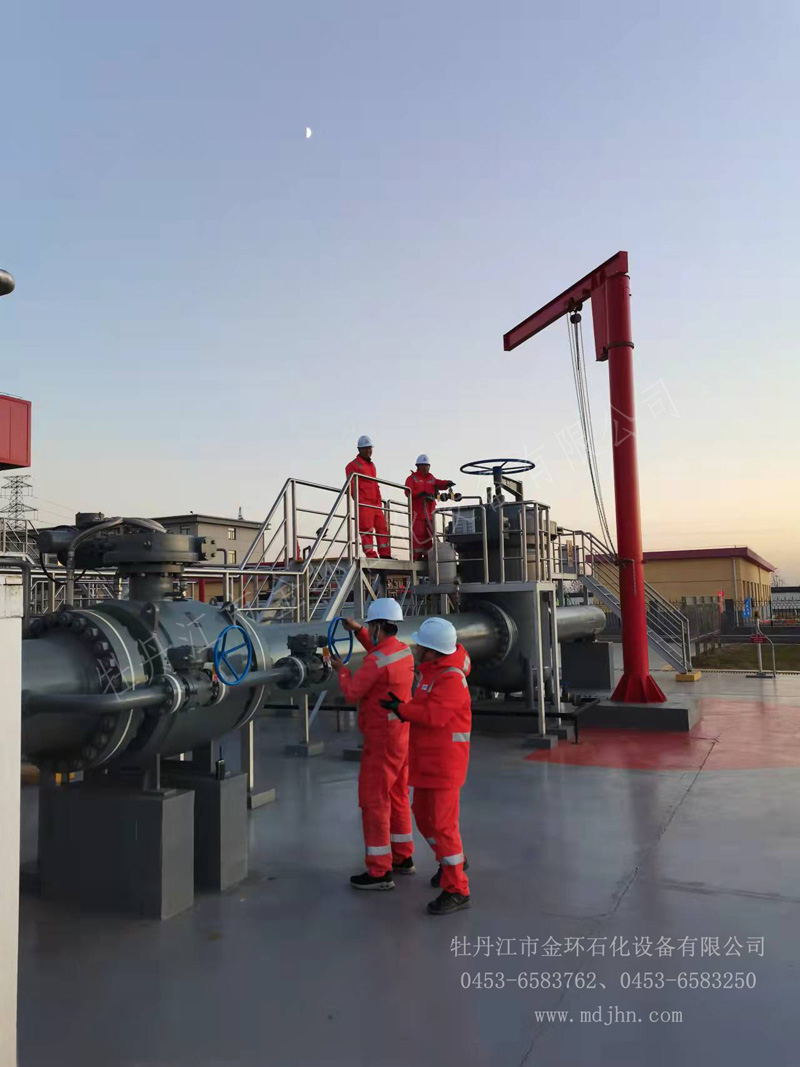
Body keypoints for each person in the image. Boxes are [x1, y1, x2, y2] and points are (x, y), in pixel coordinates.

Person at [381, 616, 472, 915]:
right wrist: (404, 707)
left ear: (432, 651)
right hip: (427, 760)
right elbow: (425, 707)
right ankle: (451, 861)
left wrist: (402, 710)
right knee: (422, 816)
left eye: (420, 645)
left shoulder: (450, 678)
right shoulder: (433, 673)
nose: (416, 649)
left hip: (444, 764)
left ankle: (457, 889)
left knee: (443, 826)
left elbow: (435, 716)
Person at [331, 598, 415, 890]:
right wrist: (358, 631)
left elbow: (353, 692)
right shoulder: (403, 652)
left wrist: (341, 670)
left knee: (374, 800)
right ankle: (403, 856)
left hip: (380, 739)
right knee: (397, 794)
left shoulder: (376, 661)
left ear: (378, 626)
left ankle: (379, 871)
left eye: (370, 626)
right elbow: (379, 654)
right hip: (400, 735)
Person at [345, 435, 392, 560]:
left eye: (369, 448)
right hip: (364, 503)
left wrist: (379, 499)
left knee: (383, 529)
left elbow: (375, 484)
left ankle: (385, 554)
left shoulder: (372, 465)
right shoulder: (352, 465)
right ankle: (371, 556)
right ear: (359, 449)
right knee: (366, 530)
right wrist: (360, 501)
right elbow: (352, 487)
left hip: (376, 503)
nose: (368, 451)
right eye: (365, 448)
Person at [404, 455, 455, 560]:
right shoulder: (412, 478)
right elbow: (407, 492)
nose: (425, 468)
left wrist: (447, 484)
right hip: (417, 513)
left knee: (429, 537)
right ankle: (417, 557)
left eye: (427, 466)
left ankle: (428, 557)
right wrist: (419, 494)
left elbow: (438, 483)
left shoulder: (431, 478)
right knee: (418, 536)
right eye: (423, 466)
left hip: (430, 513)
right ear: (418, 466)